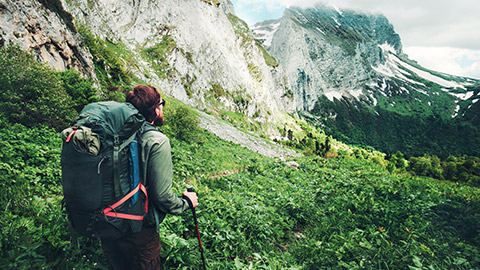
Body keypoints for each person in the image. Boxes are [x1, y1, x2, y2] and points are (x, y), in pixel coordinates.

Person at [101, 85, 199, 269]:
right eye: (161, 103)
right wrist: (186, 203)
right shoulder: (157, 140)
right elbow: (162, 196)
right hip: (138, 231)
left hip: (107, 223)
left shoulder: (113, 132)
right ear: (156, 110)